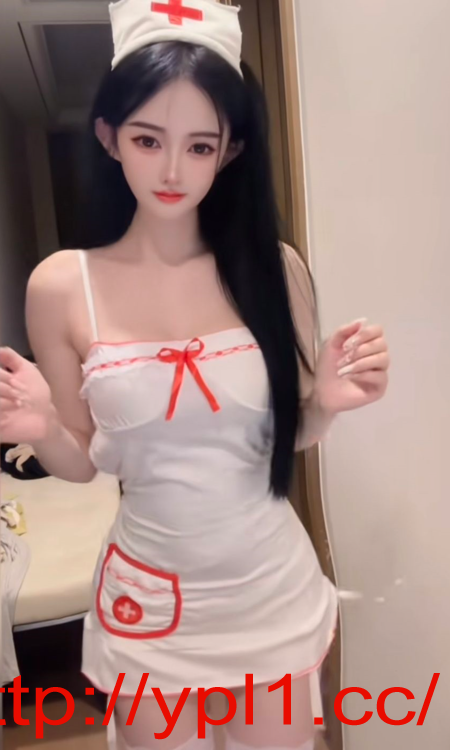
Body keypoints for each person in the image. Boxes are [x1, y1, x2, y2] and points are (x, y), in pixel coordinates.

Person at [0, 1, 390, 748]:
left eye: (200, 145)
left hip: (268, 588)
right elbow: (81, 461)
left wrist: (329, 403)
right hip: (150, 599)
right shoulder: (62, 285)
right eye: (148, 139)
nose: (174, 171)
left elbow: (287, 435)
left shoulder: (276, 270)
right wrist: (40, 425)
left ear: (230, 150)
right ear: (109, 136)